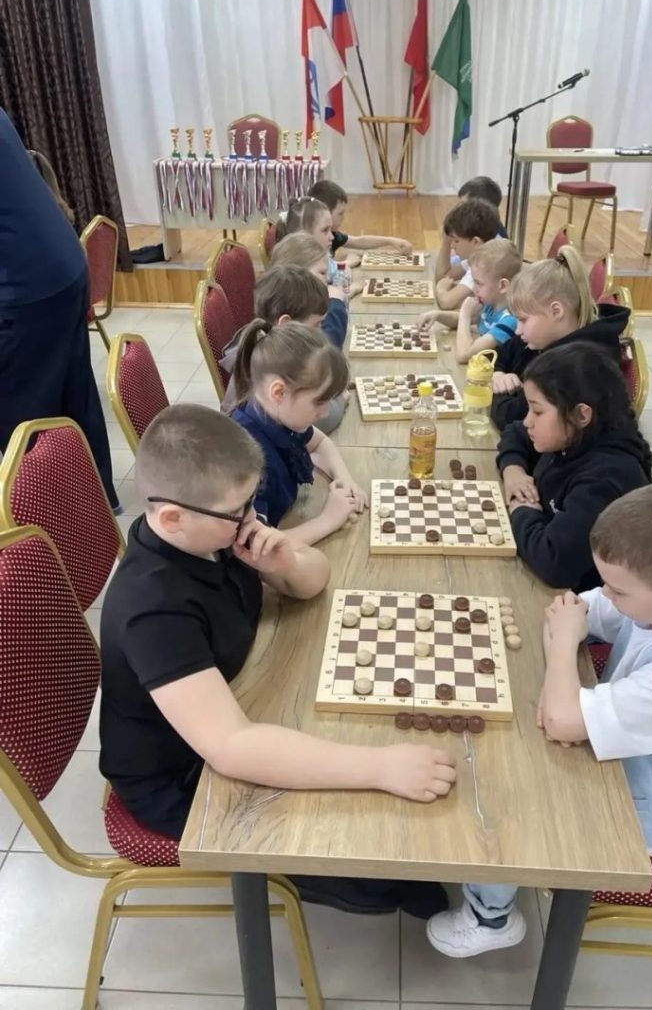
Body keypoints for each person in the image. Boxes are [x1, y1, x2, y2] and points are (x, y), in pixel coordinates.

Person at [99, 404, 456, 915]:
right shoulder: (152, 607)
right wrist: (379, 767)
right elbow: (231, 747)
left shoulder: (210, 531)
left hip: (242, 693)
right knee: (381, 869)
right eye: (239, 511)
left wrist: (282, 561)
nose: (252, 518)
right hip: (182, 777)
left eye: (252, 501)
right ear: (172, 517)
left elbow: (315, 580)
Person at [427, 480, 652, 956]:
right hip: (624, 754)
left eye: (617, 589)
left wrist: (563, 661)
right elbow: (569, 612)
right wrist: (565, 665)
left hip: (643, 808)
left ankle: (491, 918)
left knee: (503, 786)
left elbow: (562, 710)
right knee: (509, 746)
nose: (605, 594)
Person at [0, 108, 118, 508]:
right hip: (64, 267)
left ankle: (54, 521)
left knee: (24, 419)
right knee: (74, 394)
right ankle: (98, 505)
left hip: (26, 286)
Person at [498, 342, 652, 590]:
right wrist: (513, 470)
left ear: (581, 415)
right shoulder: (573, 434)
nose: (527, 421)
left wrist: (522, 509)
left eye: (537, 411)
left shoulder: (606, 478)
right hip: (543, 561)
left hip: (585, 600)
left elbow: (555, 563)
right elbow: (515, 433)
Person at [230, 323, 366, 544]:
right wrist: (329, 520)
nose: (325, 412)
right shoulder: (246, 459)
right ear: (279, 392)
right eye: (319, 402)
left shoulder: (274, 416)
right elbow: (254, 545)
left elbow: (319, 442)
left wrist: (343, 477)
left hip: (288, 520)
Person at [491, 246, 631, 430]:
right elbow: (501, 352)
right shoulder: (542, 337)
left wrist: (496, 390)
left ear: (556, 311)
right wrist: (498, 375)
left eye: (523, 320)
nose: (517, 330)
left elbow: (510, 416)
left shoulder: (576, 366)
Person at [219, 265, 349, 435]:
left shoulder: (271, 345)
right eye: (317, 324)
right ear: (287, 323)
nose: (321, 332)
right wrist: (340, 399)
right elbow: (320, 422)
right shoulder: (272, 363)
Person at [418, 239, 521, 363]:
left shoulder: (509, 321)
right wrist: (438, 315)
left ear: (503, 286)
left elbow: (464, 355)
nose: (474, 288)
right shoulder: (491, 305)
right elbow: (461, 319)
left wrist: (465, 315)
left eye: (479, 283)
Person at [269, 232, 349, 348]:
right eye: (322, 273)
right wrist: (336, 304)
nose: (327, 279)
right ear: (300, 274)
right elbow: (326, 348)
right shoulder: (297, 312)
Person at [308, 179, 413, 266]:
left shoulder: (332, 235)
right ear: (325, 213)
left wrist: (391, 241)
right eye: (340, 214)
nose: (343, 218)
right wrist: (346, 264)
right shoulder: (310, 242)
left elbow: (359, 241)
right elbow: (320, 271)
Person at [434, 199, 502, 310]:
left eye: (456, 241)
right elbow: (444, 276)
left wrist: (441, 288)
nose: (452, 246)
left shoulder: (484, 265)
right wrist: (446, 240)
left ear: (476, 242)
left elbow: (447, 302)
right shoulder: (478, 256)